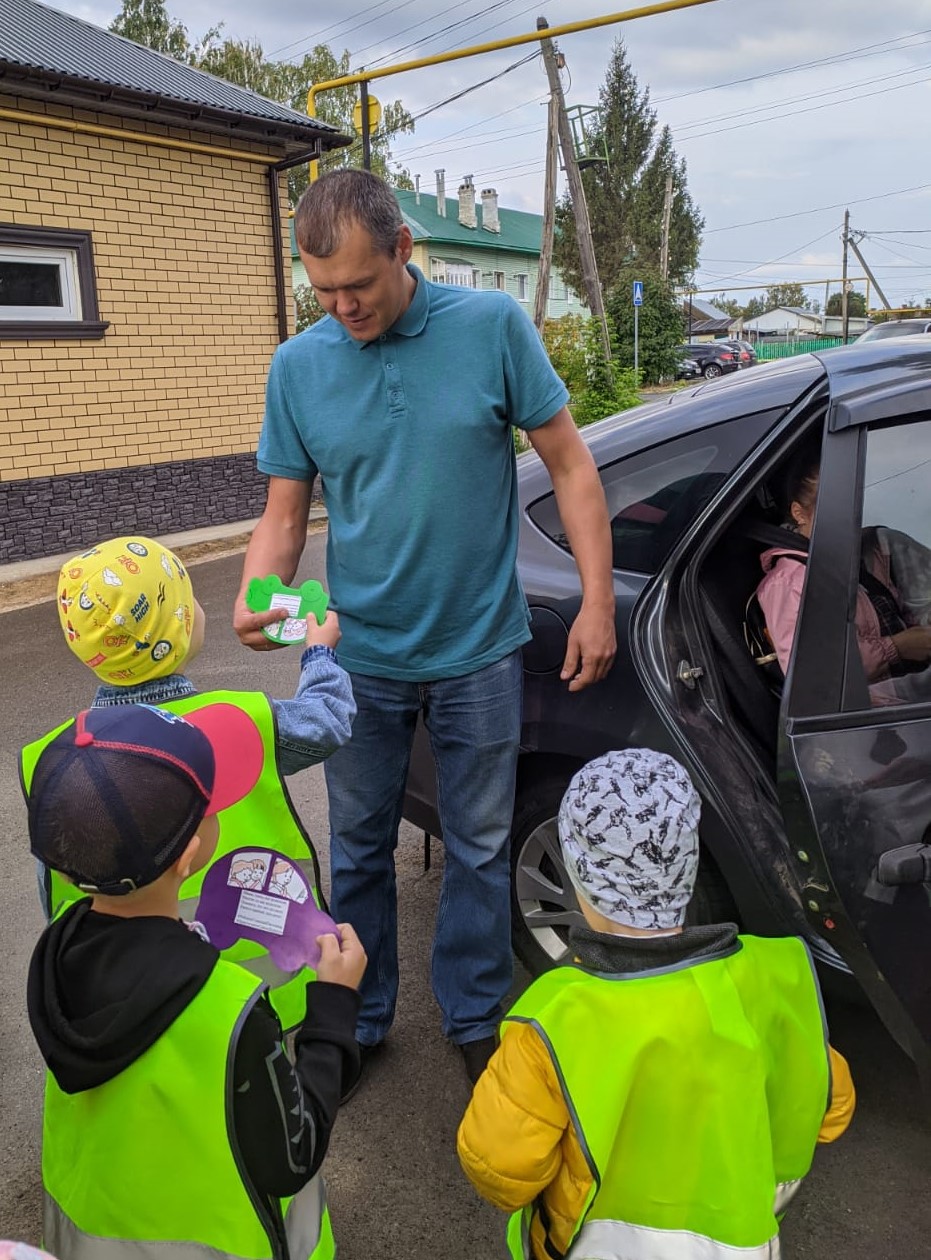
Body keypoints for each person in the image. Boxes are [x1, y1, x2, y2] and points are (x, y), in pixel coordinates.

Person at [234, 169, 616, 1085]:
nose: (341, 307)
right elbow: (286, 514)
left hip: (479, 651)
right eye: (321, 291)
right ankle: (357, 1021)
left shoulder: (490, 331)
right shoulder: (300, 365)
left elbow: (570, 466)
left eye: (356, 286)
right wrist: (259, 593)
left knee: (479, 848)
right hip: (354, 657)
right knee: (358, 846)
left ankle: (475, 1015)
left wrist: (596, 602)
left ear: (403, 247)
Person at [457, 748, 855, 1260]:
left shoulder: (554, 1019)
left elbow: (499, 1169)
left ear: (579, 879)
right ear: (689, 862)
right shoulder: (773, 975)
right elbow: (832, 1110)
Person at [26, 703, 366, 1259]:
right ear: (189, 855)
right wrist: (333, 1009)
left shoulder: (57, 954)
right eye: (208, 805)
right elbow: (294, 1154)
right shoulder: (230, 1008)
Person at [22, 534, 355, 1033]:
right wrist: (318, 657)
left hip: (129, 1004)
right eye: (189, 599)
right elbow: (327, 720)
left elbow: (56, 893)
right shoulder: (237, 721)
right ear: (174, 630)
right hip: (257, 987)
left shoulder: (54, 756)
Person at [756, 444, 931, 683]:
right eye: (833, 510)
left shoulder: (860, 552)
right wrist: (896, 647)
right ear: (799, 513)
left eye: (853, 507)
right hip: (871, 708)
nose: (849, 520)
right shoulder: (788, 584)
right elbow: (817, 677)